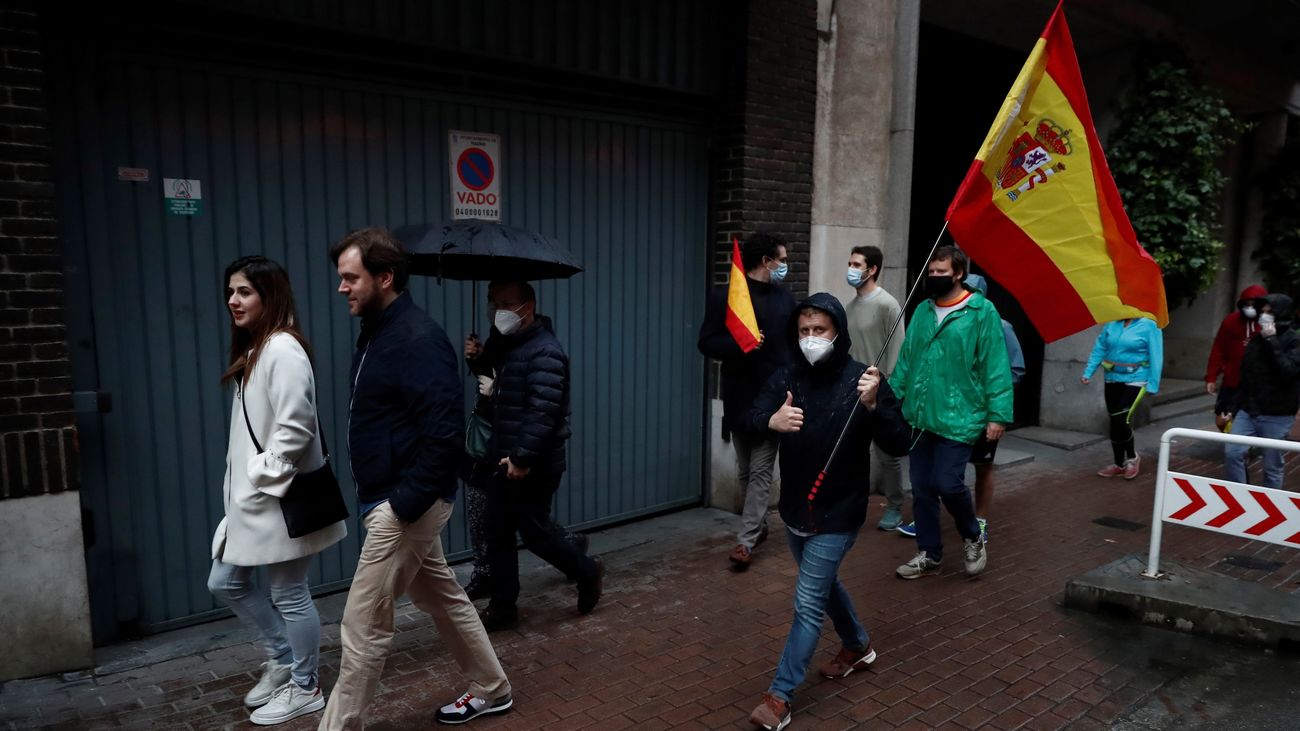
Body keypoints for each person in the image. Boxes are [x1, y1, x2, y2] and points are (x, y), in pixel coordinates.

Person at [320, 228, 512, 729]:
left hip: (406, 502)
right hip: (392, 496)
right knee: (440, 596)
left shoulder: (417, 339)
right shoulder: (379, 331)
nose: (342, 287)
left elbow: (443, 435)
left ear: (384, 278)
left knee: (363, 623)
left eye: (350, 278)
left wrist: (402, 505)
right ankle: (492, 687)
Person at [743, 293, 911, 731]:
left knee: (807, 602)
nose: (811, 338)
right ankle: (857, 645)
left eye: (820, 329)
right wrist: (769, 421)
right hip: (796, 509)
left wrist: (875, 406)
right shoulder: (787, 377)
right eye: (804, 330)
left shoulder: (864, 380)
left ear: (838, 331)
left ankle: (780, 696)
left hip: (839, 512)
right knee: (824, 584)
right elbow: (750, 414)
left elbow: (900, 441)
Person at [208, 256, 347, 726]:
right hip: (255, 503)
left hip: (278, 501)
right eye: (231, 291)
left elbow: (296, 427)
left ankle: (306, 687)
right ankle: (284, 657)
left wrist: (261, 477)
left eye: (245, 291)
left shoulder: (282, 349)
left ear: (270, 295)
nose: (233, 300)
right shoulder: (258, 348)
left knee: (290, 593)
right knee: (225, 581)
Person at [464, 280, 603, 632]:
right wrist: (478, 360)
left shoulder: (545, 352)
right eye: (493, 303)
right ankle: (503, 608)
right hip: (502, 458)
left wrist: (523, 458)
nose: (497, 311)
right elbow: (500, 393)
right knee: (497, 531)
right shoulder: (509, 345)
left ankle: (587, 571)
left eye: (505, 304)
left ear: (527, 307)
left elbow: (543, 411)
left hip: (533, 464)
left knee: (535, 533)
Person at [890, 246, 1011, 580]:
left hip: (960, 415)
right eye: (931, 272)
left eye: (941, 272)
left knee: (947, 482)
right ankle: (929, 553)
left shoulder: (981, 311)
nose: (934, 277)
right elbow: (907, 359)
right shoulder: (922, 311)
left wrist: (998, 415)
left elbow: (995, 364)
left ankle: (972, 534)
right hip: (920, 415)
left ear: (958, 273)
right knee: (921, 487)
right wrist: (890, 399)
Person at [698, 232, 797, 569]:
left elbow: (794, 348)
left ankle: (746, 540)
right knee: (744, 469)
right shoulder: (726, 296)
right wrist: (740, 344)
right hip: (739, 395)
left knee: (760, 472)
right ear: (766, 261)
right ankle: (760, 525)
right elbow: (706, 342)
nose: (785, 266)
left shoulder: (786, 300)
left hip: (773, 400)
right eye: (782, 260)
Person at [844, 245, 907, 531]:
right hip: (854, 388)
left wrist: (890, 391)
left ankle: (894, 506)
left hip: (880, 389)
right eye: (850, 263)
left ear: (872, 270)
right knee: (854, 450)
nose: (851, 269)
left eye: (857, 265)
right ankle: (852, 502)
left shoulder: (888, 305)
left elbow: (898, 349)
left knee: (887, 455)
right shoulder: (849, 308)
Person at [964, 273, 1025, 544]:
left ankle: (980, 520)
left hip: (983, 413)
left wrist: (993, 407)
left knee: (983, 465)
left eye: (970, 292)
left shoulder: (1001, 326)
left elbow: (1016, 370)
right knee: (945, 467)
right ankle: (927, 517)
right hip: (953, 412)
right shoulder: (954, 323)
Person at [1224, 294, 1300, 488]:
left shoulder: (1294, 340)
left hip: (1277, 413)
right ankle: (1237, 493)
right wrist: (1233, 407)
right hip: (1248, 410)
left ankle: (1271, 501)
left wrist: (1272, 340)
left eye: (1270, 312)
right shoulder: (1256, 340)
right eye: (1263, 311)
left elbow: (1289, 371)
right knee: (1232, 452)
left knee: (1271, 465)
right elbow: (1246, 375)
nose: (1264, 316)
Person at [1081, 315, 1163, 480]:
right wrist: (1088, 371)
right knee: (1114, 421)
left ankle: (1132, 458)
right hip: (1112, 377)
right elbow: (1100, 348)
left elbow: (1156, 355)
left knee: (1120, 418)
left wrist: (1153, 384)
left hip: (1137, 378)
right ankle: (1118, 464)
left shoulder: (1149, 325)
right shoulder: (1112, 323)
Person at [1206, 285, 1268, 431]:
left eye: (1254, 305)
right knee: (1222, 417)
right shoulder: (1231, 321)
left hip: (1258, 383)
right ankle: (1231, 437)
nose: (1250, 308)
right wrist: (1211, 377)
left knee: (1253, 417)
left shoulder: (1268, 323)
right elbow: (1219, 348)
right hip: (1233, 379)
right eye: (1247, 304)